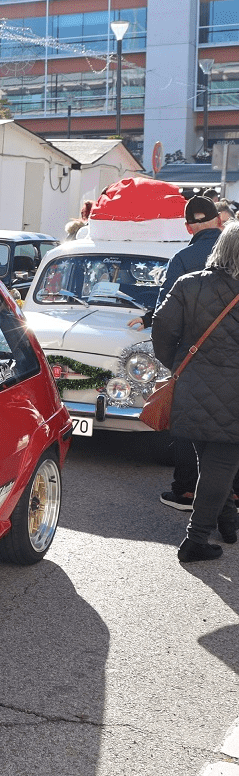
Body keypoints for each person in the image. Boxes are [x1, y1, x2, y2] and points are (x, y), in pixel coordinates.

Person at [128, 196, 226, 512]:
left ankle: (186, 491)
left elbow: (164, 316)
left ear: (188, 227)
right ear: (219, 221)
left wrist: (172, 360)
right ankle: (232, 495)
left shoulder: (183, 259)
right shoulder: (235, 254)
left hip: (192, 356)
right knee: (231, 423)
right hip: (234, 357)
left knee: (188, 424)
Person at [151, 221, 239, 562]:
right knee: (221, 463)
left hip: (191, 386)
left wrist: (176, 364)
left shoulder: (189, 284)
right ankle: (195, 540)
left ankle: (228, 523)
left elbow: (161, 327)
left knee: (214, 461)